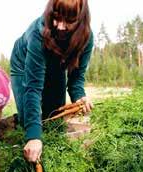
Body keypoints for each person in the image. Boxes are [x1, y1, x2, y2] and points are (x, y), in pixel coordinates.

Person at [10, 0, 94, 163]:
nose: (61, 26)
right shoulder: (38, 33)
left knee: (54, 120)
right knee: (29, 123)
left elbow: (76, 78)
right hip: (23, 65)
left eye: (69, 21)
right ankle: (28, 159)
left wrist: (79, 97)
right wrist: (34, 136)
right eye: (57, 18)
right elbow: (33, 88)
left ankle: (54, 164)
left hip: (56, 66)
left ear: (80, 19)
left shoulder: (86, 38)